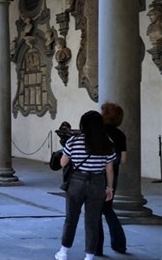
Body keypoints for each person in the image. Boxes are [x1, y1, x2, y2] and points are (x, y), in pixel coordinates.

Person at [55, 110, 116, 260]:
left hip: (77, 180)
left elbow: (63, 163)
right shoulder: (106, 142)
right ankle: (89, 255)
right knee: (93, 220)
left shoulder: (74, 141)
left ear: (83, 124)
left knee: (71, 218)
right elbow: (109, 168)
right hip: (97, 182)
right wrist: (109, 188)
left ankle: (64, 251)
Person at [96, 103, 127, 255]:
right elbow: (123, 159)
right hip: (113, 175)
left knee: (95, 212)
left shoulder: (97, 131)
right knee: (108, 210)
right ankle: (119, 244)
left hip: (97, 175)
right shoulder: (120, 134)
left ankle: (97, 248)